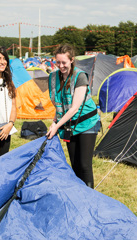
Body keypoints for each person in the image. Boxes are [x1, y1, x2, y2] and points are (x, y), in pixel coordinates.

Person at [46, 44, 100, 188]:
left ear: (71, 60)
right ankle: (78, 193)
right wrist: (54, 122)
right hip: (69, 125)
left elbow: (74, 108)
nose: (61, 65)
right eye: (58, 62)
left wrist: (57, 126)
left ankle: (90, 196)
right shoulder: (52, 77)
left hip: (87, 123)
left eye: (64, 62)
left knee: (84, 165)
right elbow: (59, 105)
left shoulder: (79, 76)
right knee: (74, 165)